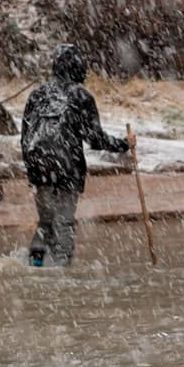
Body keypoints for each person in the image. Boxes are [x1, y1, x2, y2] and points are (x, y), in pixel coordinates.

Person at [20, 44, 130, 267]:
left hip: (39, 166)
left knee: (46, 223)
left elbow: (25, 135)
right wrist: (124, 145)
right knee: (64, 223)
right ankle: (63, 272)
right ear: (78, 68)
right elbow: (95, 139)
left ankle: (36, 265)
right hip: (67, 168)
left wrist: (33, 168)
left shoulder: (38, 94)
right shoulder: (81, 96)